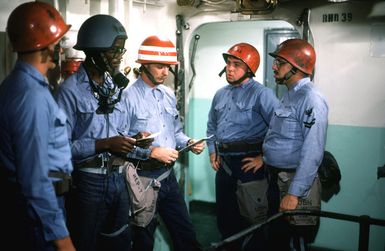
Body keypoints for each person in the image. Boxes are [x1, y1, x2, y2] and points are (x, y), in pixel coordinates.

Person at [55, 14, 144, 251]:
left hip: (118, 176)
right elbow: (60, 147)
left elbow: (121, 130)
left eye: (121, 51)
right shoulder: (69, 92)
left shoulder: (114, 87)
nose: (118, 57)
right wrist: (104, 144)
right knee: (86, 242)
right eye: (114, 51)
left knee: (119, 241)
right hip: (88, 182)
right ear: (94, 51)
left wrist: (134, 139)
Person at [0, 2, 75, 251]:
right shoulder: (31, 96)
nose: (60, 51)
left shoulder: (16, 85)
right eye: (58, 44)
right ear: (46, 48)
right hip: (37, 218)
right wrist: (63, 242)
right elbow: (34, 180)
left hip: (29, 210)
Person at [124, 35, 204, 251]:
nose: (165, 72)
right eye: (159, 67)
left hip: (168, 178)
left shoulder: (168, 95)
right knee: (143, 240)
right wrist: (151, 152)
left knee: (186, 235)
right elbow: (121, 145)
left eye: (167, 67)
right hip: (142, 180)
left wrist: (189, 141)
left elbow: (175, 132)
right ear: (144, 66)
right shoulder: (127, 98)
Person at [206, 42, 279, 250]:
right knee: (225, 218)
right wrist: (213, 151)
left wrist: (264, 158)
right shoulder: (220, 94)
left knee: (253, 219)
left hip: (249, 166)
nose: (230, 68)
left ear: (249, 68)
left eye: (236, 64)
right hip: (225, 165)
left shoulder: (262, 94)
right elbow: (211, 124)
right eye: (228, 63)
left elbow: (280, 129)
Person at [261, 38, 328, 250]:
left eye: (280, 62)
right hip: (277, 177)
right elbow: (280, 136)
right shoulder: (291, 94)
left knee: (295, 240)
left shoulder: (311, 98)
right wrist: (262, 156)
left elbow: (313, 151)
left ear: (297, 67)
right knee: (277, 238)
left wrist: (294, 194)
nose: (274, 66)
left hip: (292, 181)